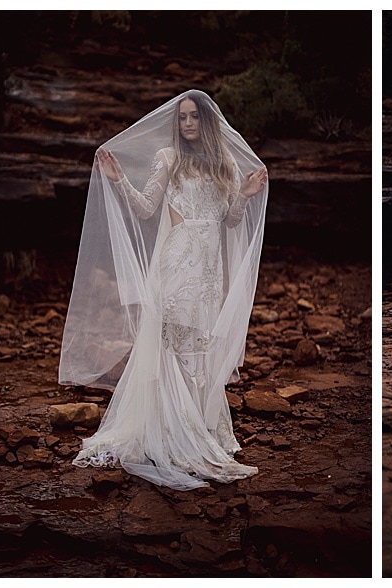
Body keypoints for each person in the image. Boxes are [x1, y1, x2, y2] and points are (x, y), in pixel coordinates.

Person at [59, 90, 268, 490]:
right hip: (178, 260)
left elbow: (227, 221)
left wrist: (243, 195)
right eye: (182, 118)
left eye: (194, 118)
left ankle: (198, 426)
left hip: (209, 266)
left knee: (200, 343)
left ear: (206, 122)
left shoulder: (222, 164)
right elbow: (144, 209)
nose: (187, 124)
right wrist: (120, 182)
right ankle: (172, 430)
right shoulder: (167, 159)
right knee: (173, 339)